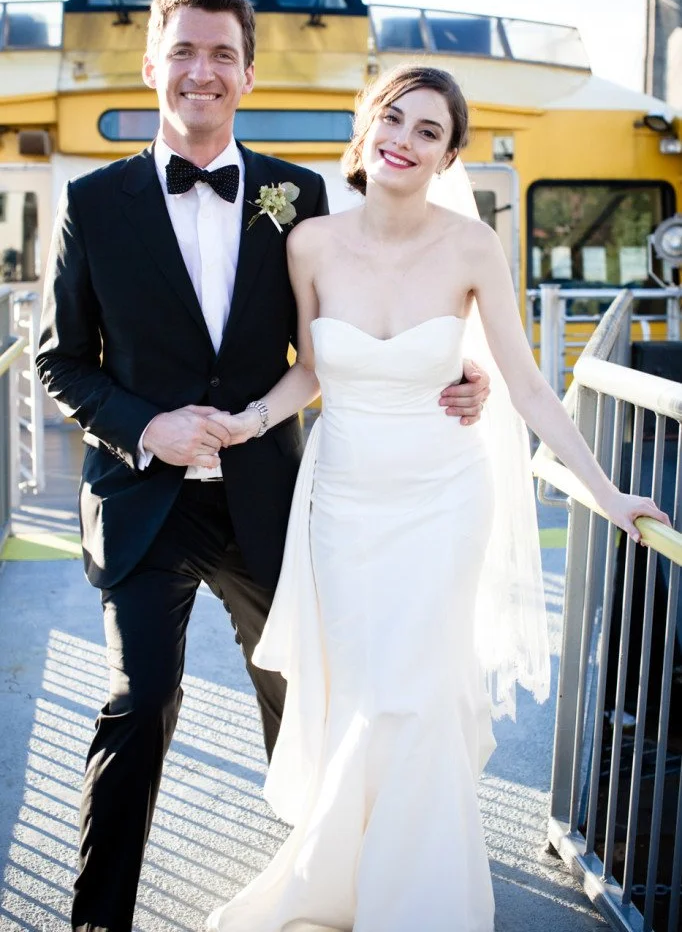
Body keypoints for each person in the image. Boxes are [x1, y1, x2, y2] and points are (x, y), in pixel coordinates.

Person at [35, 0, 489, 932]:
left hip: (266, 498)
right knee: (140, 696)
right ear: (154, 64)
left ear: (246, 72)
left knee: (304, 689)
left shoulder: (302, 196)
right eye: (185, 52)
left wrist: (462, 372)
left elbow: (369, 323)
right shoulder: (93, 203)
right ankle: (95, 920)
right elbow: (60, 361)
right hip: (142, 497)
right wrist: (143, 425)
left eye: (223, 55)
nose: (203, 71)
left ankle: (331, 881)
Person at [205, 64, 671, 932]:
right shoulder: (309, 243)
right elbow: (308, 370)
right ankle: (344, 872)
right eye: (394, 119)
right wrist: (246, 422)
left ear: (450, 154)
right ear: (365, 125)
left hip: (445, 499)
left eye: (428, 132)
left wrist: (607, 492)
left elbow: (529, 386)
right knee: (367, 690)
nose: (405, 141)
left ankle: (416, 900)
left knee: (412, 692)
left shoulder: (470, 248)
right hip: (343, 501)